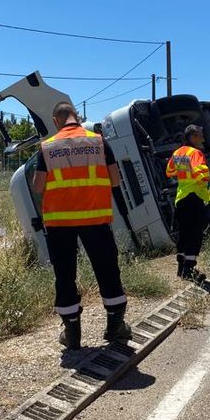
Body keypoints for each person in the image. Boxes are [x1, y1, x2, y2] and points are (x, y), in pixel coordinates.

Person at [32, 102, 131, 350]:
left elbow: (38, 186)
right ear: (76, 115)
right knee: (108, 270)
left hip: (59, 222)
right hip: (95, 219)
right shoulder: (99, 142)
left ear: (56, 120)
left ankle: (72, 333)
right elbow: (115, 180)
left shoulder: (48, 147)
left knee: (65, 275)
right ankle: (115, 327)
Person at [166, 124, 210, 283]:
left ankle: (181, 267)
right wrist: (208, 178)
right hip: (195, 196)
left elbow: (169, 172)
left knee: (184, 233)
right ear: (193, 137)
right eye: (200, 136)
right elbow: (201, 173)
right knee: (195, 233)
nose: (203, 139)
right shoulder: (195, 153)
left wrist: (184, 174)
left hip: (181, 197)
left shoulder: (178, 153)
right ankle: (190, 269)